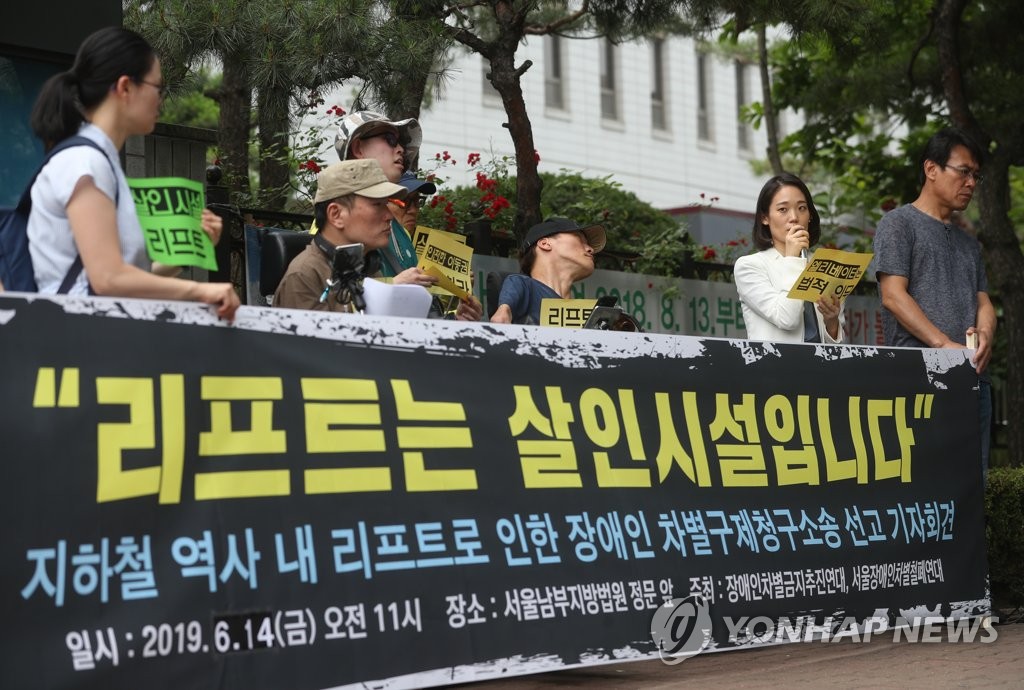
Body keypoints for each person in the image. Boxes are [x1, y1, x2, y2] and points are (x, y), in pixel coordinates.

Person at [26, 27, 239, 320]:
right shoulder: (86, 163)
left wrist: (192, 246)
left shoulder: (98, 161)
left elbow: (127, 278)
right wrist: (199, 290)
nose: (161, 99)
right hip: (77, 334)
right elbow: (108, 279)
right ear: (125, 87)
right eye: (157, 88)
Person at [873, 127, 995, 479]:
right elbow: (893, 295)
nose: (971, 183)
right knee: (921, 484)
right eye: (963, 171)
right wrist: (944, 346)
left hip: (973, 379)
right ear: (931, 169)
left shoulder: (969, 243)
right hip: (918, 377)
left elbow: (983, 301)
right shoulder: (898, 224)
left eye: (976, 175)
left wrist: (985, 335)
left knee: (972, 488)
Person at [274, 158, 480, 321]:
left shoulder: (367, 267)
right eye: (377, 205)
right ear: (336, 214)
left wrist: (455, 322)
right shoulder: (304, 276)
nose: (389, 216)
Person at [734, 173, 844, 343]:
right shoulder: (749, 266)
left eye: (802, 208)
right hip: (776, 360)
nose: (794, 218)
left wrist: (832, 323)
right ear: (765, 218)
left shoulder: (824, 265)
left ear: (810, 215)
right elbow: (787, 319)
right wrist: (793, 258)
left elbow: (837, 346)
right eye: (783, 209)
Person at [490, 217, 605, 325]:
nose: (591, 249)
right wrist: (504, 312)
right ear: (545, 243)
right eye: (581, 239)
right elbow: (500, 319)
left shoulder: (584, 314)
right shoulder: (521, 284)